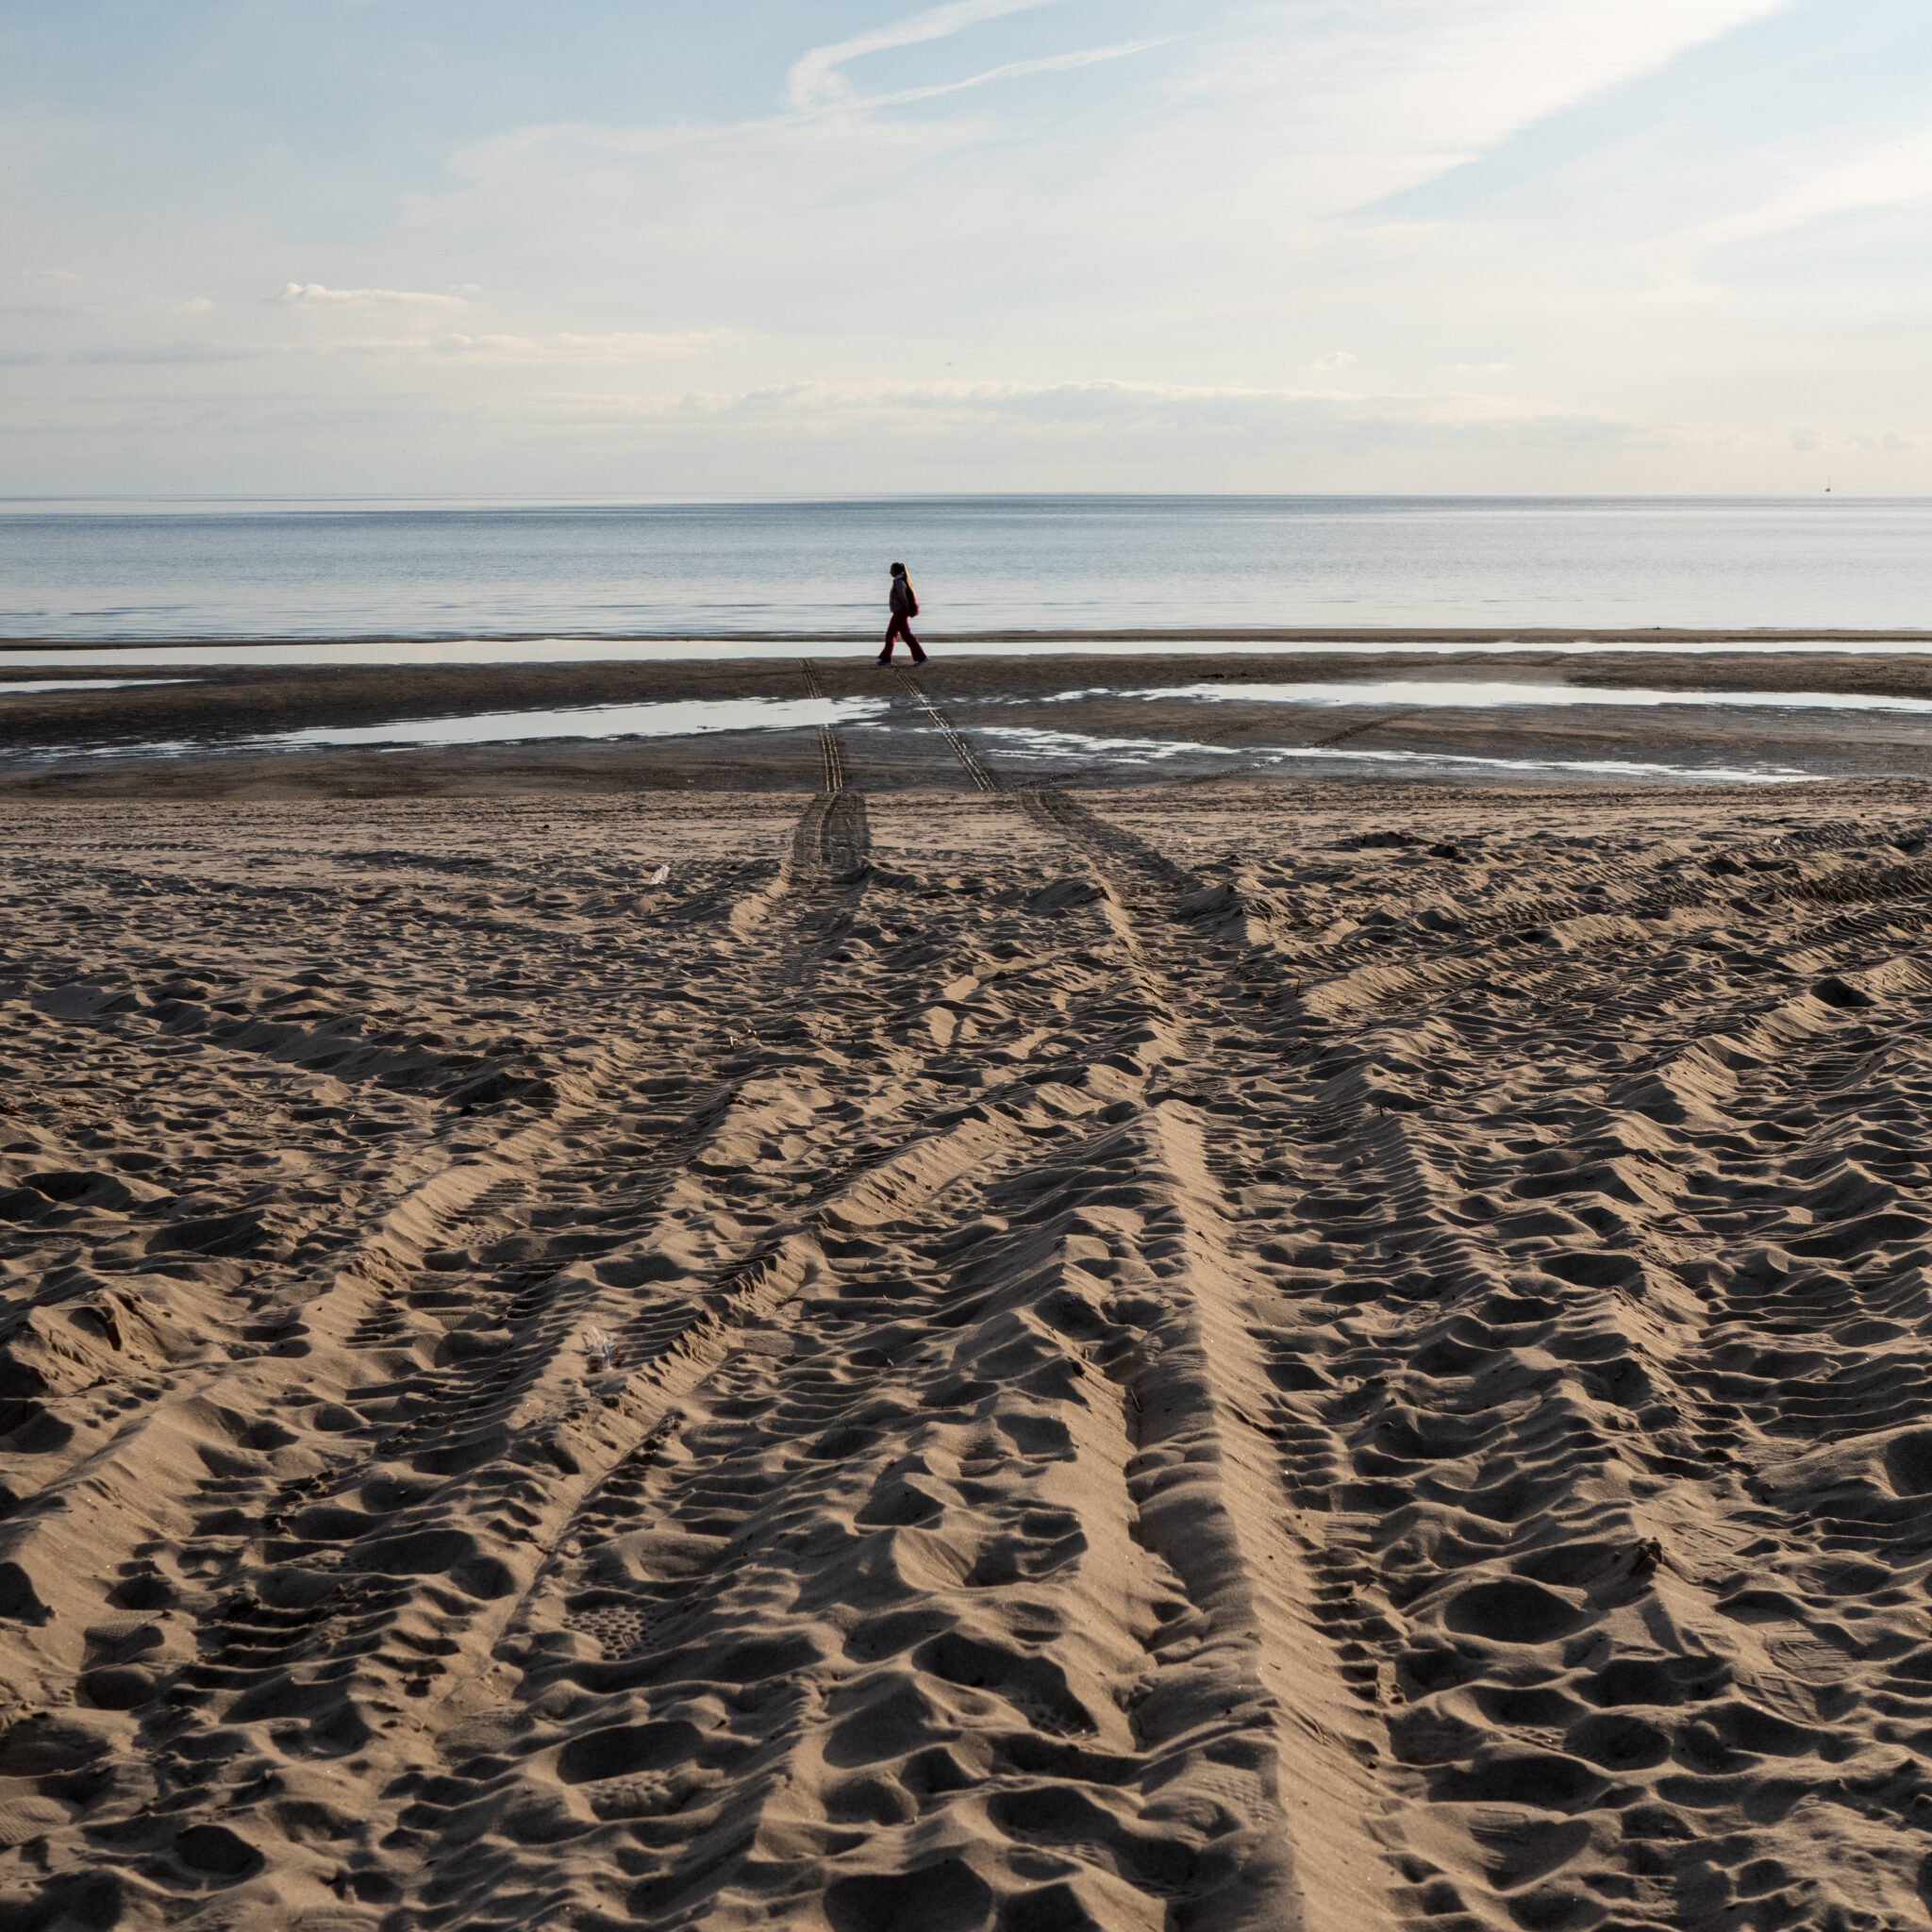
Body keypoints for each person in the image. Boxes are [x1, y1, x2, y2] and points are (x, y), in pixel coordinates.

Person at [877, 561, 927, 665]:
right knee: (890, 635)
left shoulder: (899, 582)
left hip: (900, 611)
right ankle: (886, 658)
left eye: (891, 570)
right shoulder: (899, 581)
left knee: (906, 635)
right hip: (897, 612)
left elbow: (903, 597)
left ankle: (921, 656)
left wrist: (907, 609)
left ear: (896, 571)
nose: (890, 573)